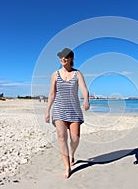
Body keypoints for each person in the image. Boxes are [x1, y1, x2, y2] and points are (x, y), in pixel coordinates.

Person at [45, 48, 90, 178]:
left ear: (71, 58)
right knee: (61, 137)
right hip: (59, 109)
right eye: (60, 57)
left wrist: (86, 100)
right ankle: (67, 167)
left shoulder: (77, 74)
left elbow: (84, 89)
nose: (62, 59)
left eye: (65, 57)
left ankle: (72, 153)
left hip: (74, 110)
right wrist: (47, 111)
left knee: (75, 139)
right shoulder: (55, 74)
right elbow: (52, 94)